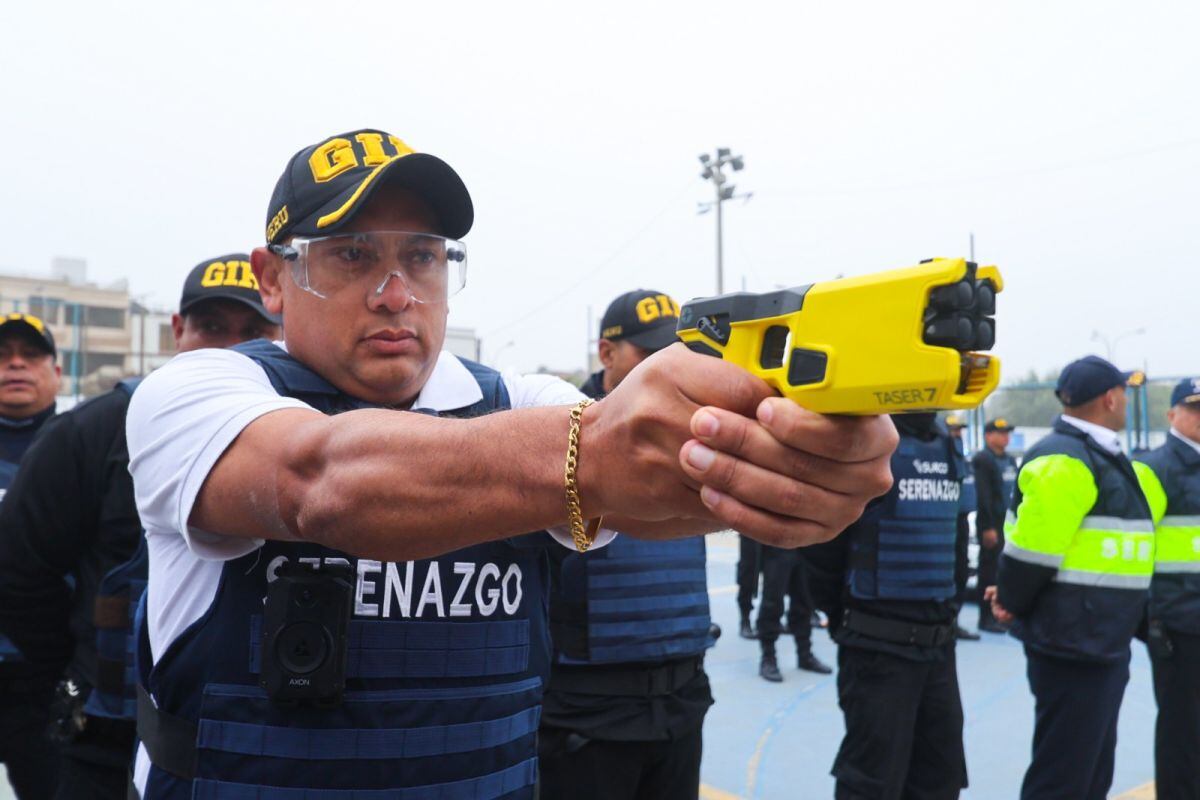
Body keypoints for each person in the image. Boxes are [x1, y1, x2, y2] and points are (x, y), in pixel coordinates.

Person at [123, 128, 897, 799]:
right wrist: (596, 449)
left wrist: (790, 457)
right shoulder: (200, 393)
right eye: (351, 256)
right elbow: (316, 481)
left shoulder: (518, 399)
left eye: (422, 257)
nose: (395, 294)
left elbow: (661, 479)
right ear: (272, 278)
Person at [0, 255, 281, 800]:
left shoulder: (316, 441)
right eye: (212, 328)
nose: (229, 347)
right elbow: (17, 575)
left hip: (248, 746)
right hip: (102, 741)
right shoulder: (92, 432)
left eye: (252, 331)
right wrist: (75, 670)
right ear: (178, 331)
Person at [540, 289, 714, 800]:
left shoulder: (700, 437)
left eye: (673, 352)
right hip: (588, 720)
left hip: (682, 705)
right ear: (607, 353)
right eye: (649, 353)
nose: (666, 367)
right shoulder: (557, 435)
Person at [990, 356, 1155, 800]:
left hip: (1099, 638)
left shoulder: (1098, 453)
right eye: (1123, 392)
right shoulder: (1066, 457)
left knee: (1091, 771)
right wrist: (1011, 599)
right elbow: (1032, 551)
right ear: (1110, 398)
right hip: (1073, 640)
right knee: (1063, 776)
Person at [805, 413, 968, 799]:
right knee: (872, 782)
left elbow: (959, 537)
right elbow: (821, 547)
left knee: (940, 777)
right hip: (878, 648)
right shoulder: (864, 435)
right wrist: (847, 617)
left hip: (938, 647)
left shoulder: (946, 442)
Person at [0, 312, 62, 799]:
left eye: (30, 355)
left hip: (47, 677)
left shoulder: (88, 447)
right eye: (1, 356)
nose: (15, 365)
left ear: (56, 372)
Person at [1134, 378, 1200, 800]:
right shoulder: (1155, 468)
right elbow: (1134, 546)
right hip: (1179, 620)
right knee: (1183, 730)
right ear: (1171, 414)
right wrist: (1150, 617)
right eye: (1193, 408)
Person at [755, 546, 831, 681]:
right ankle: (768, 657)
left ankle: (805, 654)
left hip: (806, 547)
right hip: (777, 544)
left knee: (805, 601)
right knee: (772, 601)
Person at [971, 418, 1017, 634]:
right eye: (1000, 433)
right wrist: (987, 527)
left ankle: (1002, 614)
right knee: (988, 571)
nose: (1005, 437)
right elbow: (984, 495)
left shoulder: (1009, 460)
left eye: (1007, 432)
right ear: (988, 435)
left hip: (1007, 523)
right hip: (991, 523)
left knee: (1003, 570)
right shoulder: (983, 459)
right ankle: (986, 617)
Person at [944, 415, 979, 642]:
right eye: (954, 430)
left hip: (962, 520)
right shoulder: (942, 457)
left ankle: (953, 620)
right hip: (947, 521)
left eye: (960, 430)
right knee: (949, 571)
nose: (958, 434)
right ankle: (947, 621)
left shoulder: (962, 459)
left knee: (961, 570)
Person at [737, 535, 761, 639]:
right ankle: (745, 619)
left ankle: (770, 618)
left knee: (775, 573)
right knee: (748, 573)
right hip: (750, 532)